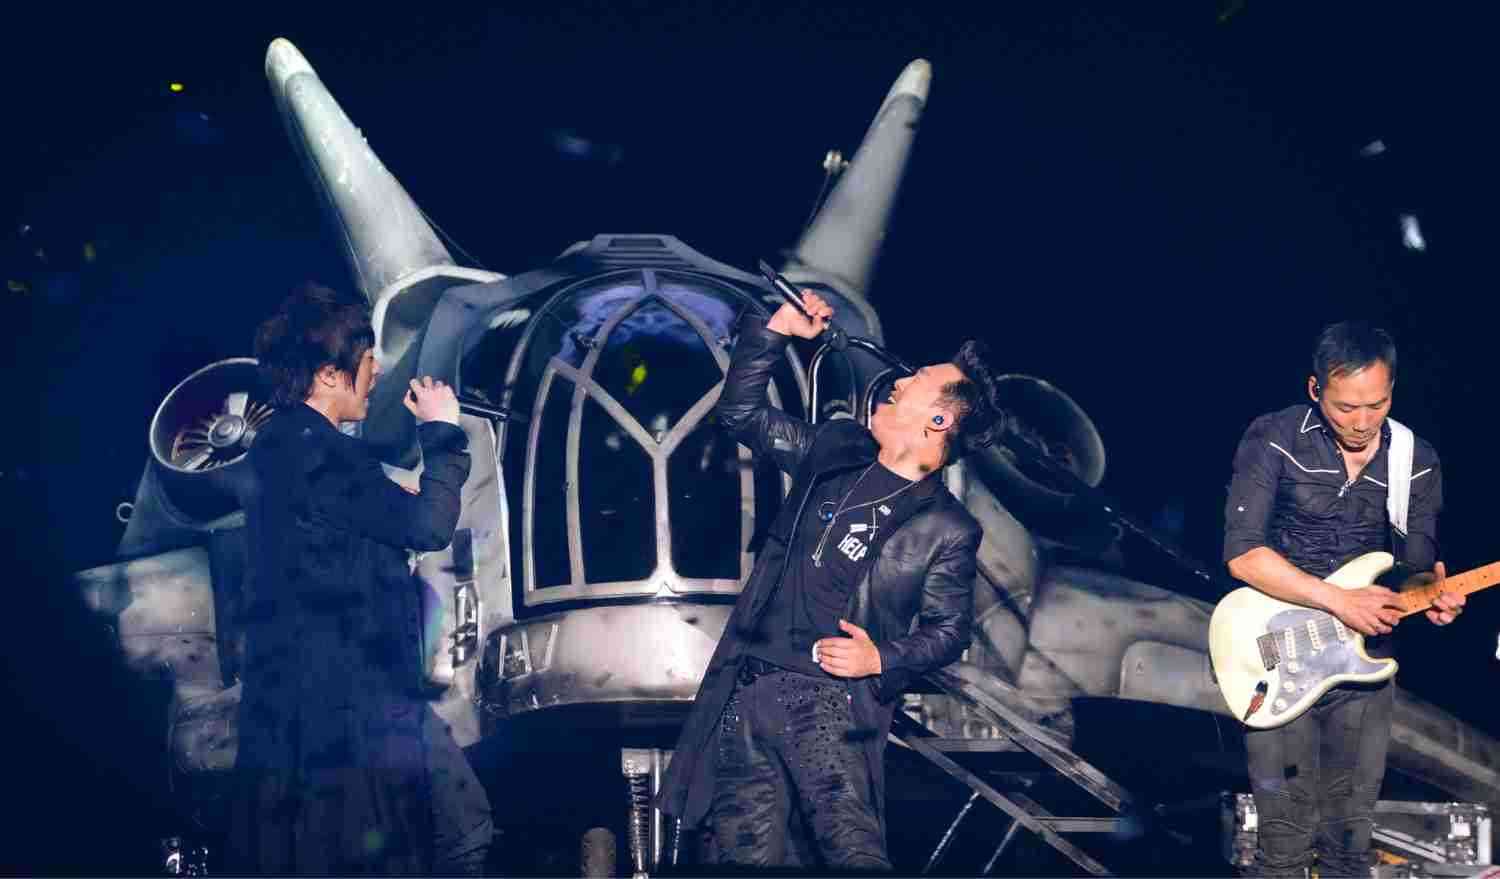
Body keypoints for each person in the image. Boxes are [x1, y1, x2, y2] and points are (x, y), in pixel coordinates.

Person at [656, 290, 1005, 870]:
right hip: (749, 685)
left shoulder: (946, 527)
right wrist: (775, 332)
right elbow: (740, 414)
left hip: (829, 703)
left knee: (852, 856)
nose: (897, 383)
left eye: (917, 380)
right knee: (739, 860)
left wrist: (880, 657)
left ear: (939, 420)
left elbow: (949, 631)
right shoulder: (836, 449)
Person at [226, 282, 492, 874]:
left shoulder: (282, 449)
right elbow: (428, 526)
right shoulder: (321, 454)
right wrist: (443, 433)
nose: (376, 374)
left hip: (314, 707)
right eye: (369, 360)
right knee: (457, 831)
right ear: (329, 373)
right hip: (353, 706)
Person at [1222, 320, 1465, 878]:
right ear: (1315, 389)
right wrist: (1336, 599)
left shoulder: (1416, 460)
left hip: (1361, 671)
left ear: (1392, 391)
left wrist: (1430, 598)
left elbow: (1412, 572)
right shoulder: (1274, 436)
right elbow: (1243, 554)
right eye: (1345, 407)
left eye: (1376, 406)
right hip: (1277, 654)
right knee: (1283, 845)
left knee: (1350, 844)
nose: (1361, 422)